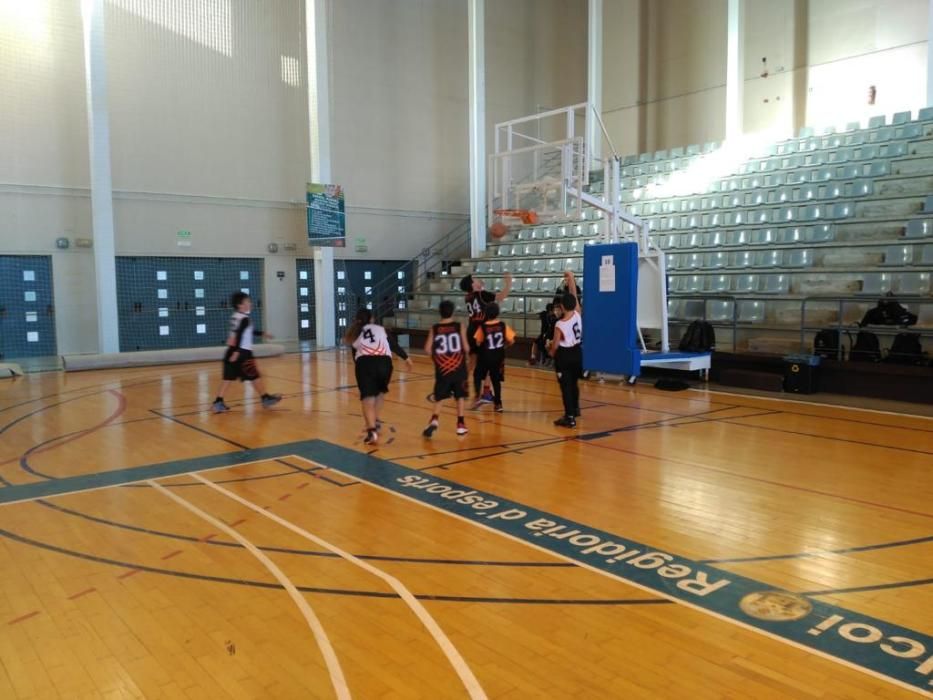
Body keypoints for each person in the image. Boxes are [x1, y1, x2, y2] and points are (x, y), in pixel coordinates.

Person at [344, 308, 412, 445]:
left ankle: (371, 431)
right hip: (385, 363)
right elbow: (393, 345)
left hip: (365, 363)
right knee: (379, 393)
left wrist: (362, 371)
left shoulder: (355, 332)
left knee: (367, 399)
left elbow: (355, 357)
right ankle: (374, 420)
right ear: (371, 319)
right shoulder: (381, 329)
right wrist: (406, 358)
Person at [212, 292, 282, 413]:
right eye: (247, 302)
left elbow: (247, 331)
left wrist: (262, 334)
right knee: (255, 376)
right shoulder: (245, 319)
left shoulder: (236, 316)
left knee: (227, 378)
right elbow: (239, 335)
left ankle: (218, 402)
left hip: (230, 351)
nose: (250, 303)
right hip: (243, 353)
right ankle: (265, 399)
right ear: (240, 305)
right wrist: (238, 351)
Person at [459, 271, 512, 404]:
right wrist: (509, 282)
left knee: (471, 363)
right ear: (472, 285)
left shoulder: (468, 297)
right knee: (489, 362)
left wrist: (480, 285)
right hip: (483, 332)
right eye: (474, 279)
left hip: (471, 330)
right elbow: (501, 297)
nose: (477, 279)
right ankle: (486, 393)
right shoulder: (482, 294)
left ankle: (461, 386)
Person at [423, 300, 469, 437]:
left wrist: (437, 359)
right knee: (460, 396)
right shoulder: (459, 326)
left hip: (442, 369)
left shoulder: (434, 328)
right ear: (453, 311)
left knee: (440, 397)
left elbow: (426, 349)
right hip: (459, 368)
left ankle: (434, 420)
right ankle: (460, 424)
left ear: (440, 312)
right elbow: (466, 347)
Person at [548, 273, 583, 428]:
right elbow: (574, 295)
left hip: (565, 356)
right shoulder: (577, 314)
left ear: (562, 306)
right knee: (574, 383)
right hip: (577, 353)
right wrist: (572, 279)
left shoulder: (560, 324)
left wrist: (550, 352)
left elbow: (555, 345)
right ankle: (575, 409)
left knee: (566, 387)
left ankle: (569, 417)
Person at [472, 302, 516, 412]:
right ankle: (498, 404)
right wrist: (503, 346)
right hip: (498, 357)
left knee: (477, 375)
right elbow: (512, 341)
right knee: (496, 380)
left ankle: (477, 396)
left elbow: (478, 342)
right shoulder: (502, 325)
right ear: (497, 313)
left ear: (486, 313)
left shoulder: (483, 326)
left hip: (485, 356)